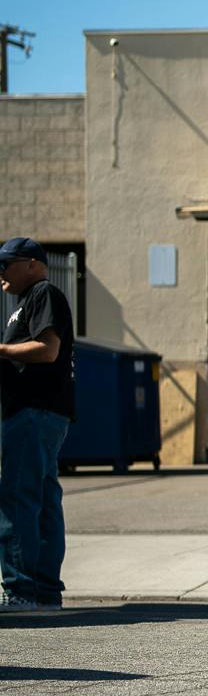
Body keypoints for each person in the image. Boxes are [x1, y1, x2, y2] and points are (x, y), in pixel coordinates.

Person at [0, 238, 76, 611]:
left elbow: (48, 350)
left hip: (34, 412)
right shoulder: (27, 301)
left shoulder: (42, 293)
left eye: (5, 264)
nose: (0, 274)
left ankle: (21, 590)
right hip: (41, 414)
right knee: (43, 500)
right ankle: (45, 591)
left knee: (17, 497)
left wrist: (0, 350)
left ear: (31, 263)